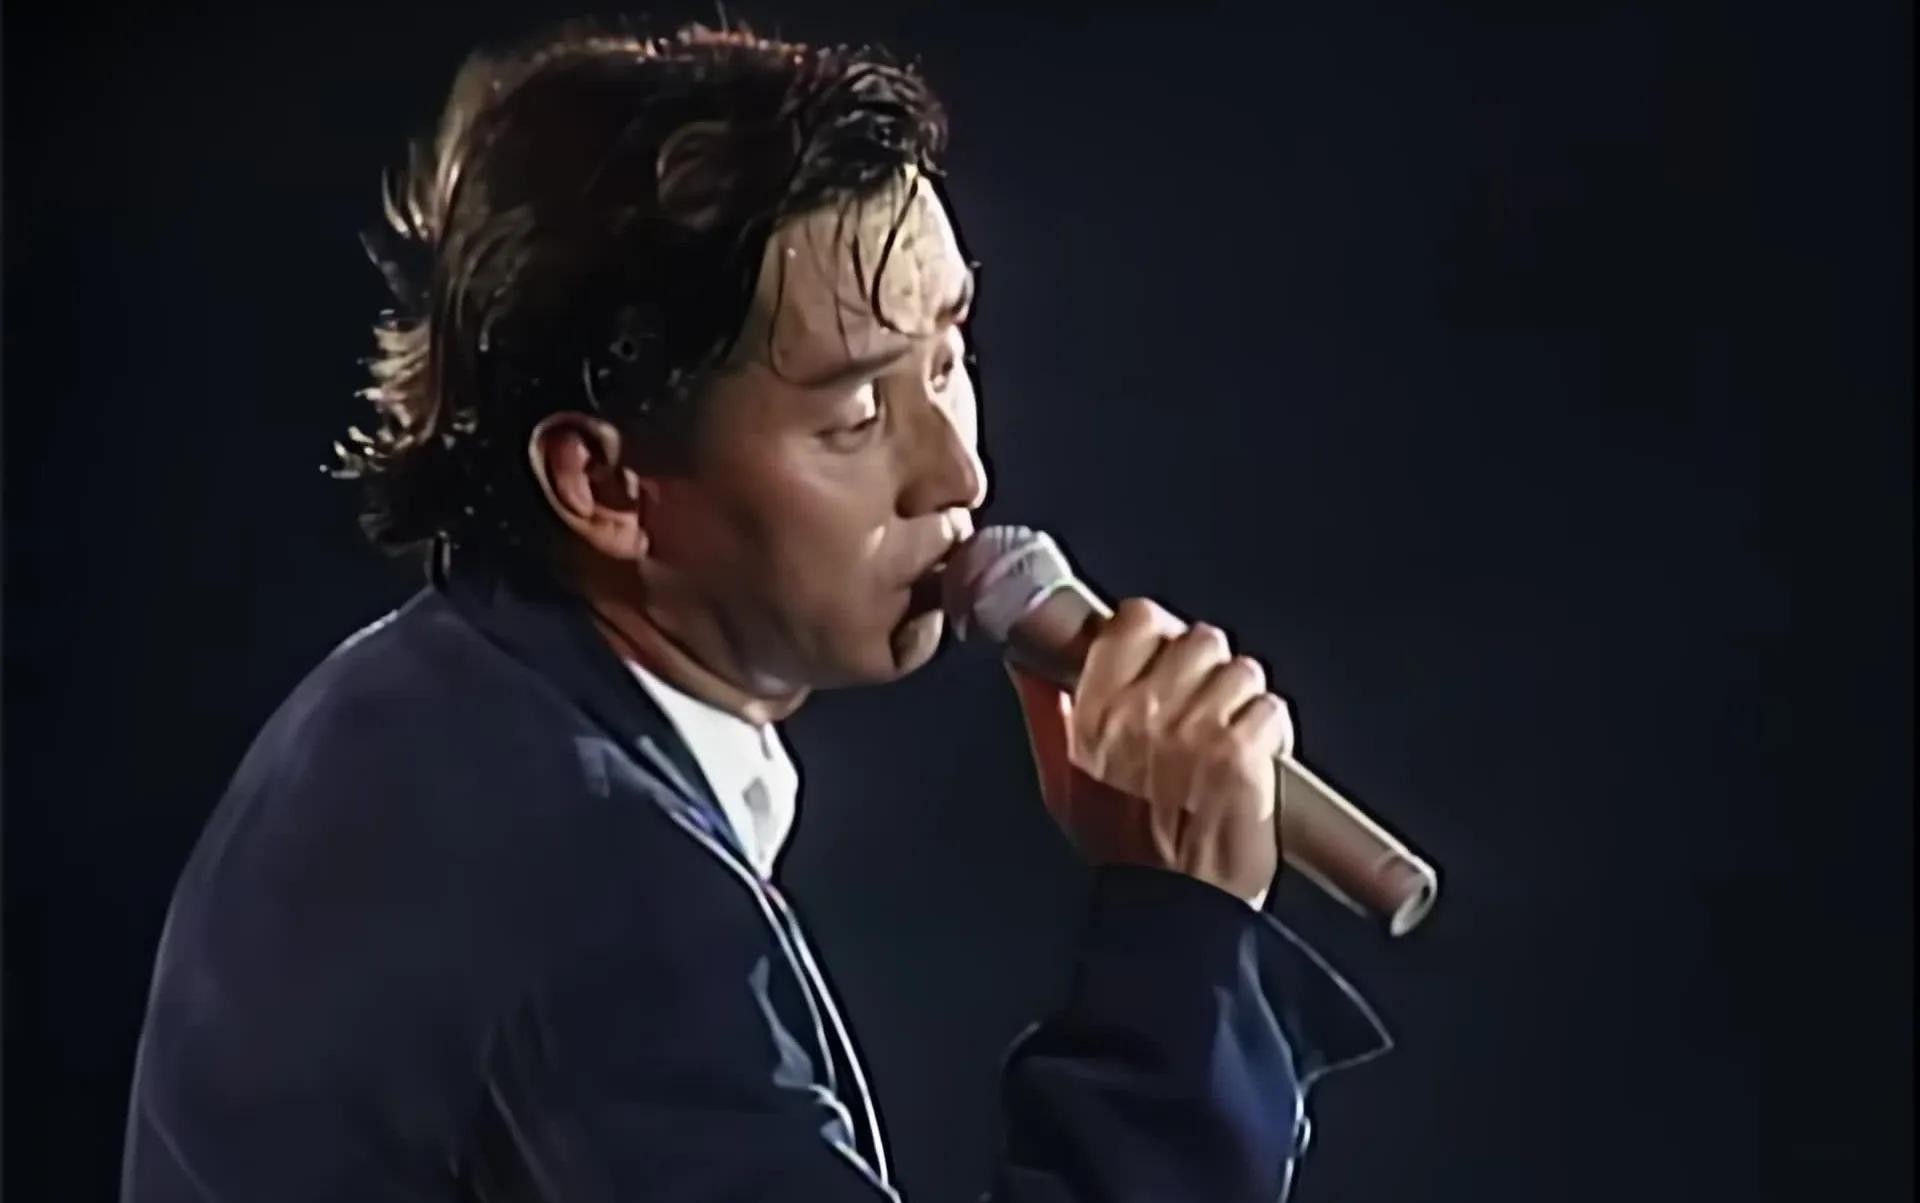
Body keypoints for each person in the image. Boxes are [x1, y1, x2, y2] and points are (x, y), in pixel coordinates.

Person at [121, 21, 1389, 1202]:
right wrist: (1175, 953)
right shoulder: (595, 896)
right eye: (856, 412)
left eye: (947, 360)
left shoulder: (422, 710)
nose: (958, 474)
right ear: (605, 484)